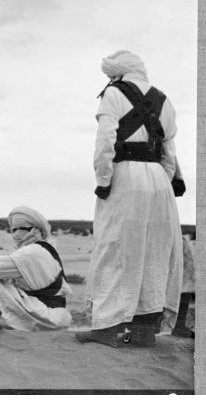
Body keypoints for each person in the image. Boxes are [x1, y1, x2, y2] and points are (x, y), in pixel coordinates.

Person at [77, 50, 183, 348]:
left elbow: (105, 143)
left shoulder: (113, 93)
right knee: (154, 251)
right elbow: (169, 151)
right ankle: (144, 331)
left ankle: (108, 328)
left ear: (118, 74)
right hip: (158, 180)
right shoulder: (165, 100)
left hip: (126, 176)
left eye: (110, 76)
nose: (109, 80)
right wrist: (166, 178)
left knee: (116, 248)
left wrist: (103, 180)